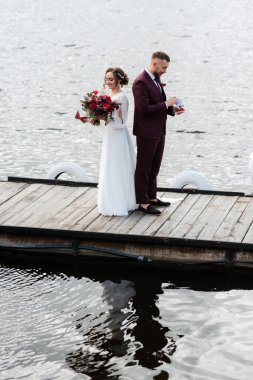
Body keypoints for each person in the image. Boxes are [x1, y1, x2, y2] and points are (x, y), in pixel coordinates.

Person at [132, 51, 184, 215]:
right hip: (147, 132)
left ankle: (152, 197)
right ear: (154, 64)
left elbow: (158, 104)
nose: (165, 71)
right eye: (163, 67)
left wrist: (172, 109)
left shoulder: (155, 79)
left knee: (154, 167)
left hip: (159, 130)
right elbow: (144, 109)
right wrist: (165, 103)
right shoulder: (140, 82)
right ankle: (142, 203)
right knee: (143, 168)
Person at [80, 67, 136, 216]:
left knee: (117, 165)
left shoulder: (122, 97)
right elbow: (110, 120)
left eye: (110, 79)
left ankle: (120, 201)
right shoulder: (109, 95)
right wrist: (95, 118)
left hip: (118, 136)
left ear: (118, 79)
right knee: (109, 165)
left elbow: (121, 123)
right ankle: (110, 199)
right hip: (110, 135)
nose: (108, 82)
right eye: (106, 79)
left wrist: (102, 117)